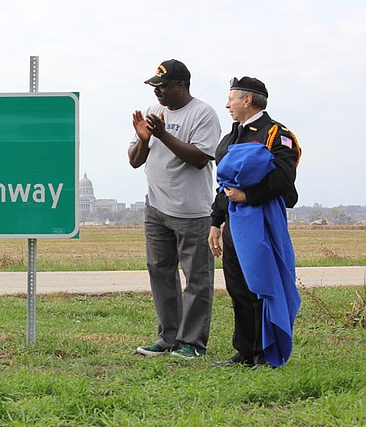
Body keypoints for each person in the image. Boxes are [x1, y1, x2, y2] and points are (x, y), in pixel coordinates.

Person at [128, 59, 221, 359]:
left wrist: (163, 135)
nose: (157, 92)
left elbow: (199, 158)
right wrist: (144, 141)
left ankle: (192, 343)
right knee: (160, 272)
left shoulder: (203, 114)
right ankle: (168, 338)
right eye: (154, 86)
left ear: (181, 85)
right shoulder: (154, 113)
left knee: (196, 279)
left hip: (192, 211)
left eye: (163, 86)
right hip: (156, 207)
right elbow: (134, 159)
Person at [209, 77, 301, 367]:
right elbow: (224, 185)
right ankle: (245, 352)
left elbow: (284, 178)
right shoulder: (231, 137)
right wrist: (215, 221)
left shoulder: (276, 134)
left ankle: (265, 352)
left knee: (260, 285)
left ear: (247, 100)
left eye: (231, 99)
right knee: (238, 288)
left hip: (261, 222)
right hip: (234, 225)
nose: (227, 105)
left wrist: (249, 195)